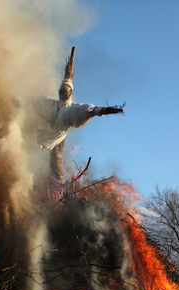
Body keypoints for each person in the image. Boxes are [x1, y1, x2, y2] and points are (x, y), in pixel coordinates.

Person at [33, 47, 123, 201]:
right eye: (62, 89)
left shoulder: (74, 109)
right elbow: (39, 100)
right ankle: (40, 183)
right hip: (48, 132)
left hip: (59, 136)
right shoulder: (52, 104)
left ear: (71, 93)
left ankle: (56, 191)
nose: (63, 91)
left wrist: (110, 110)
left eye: (66, 90)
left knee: (55, 158)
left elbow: (94, 109)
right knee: (40, 155)